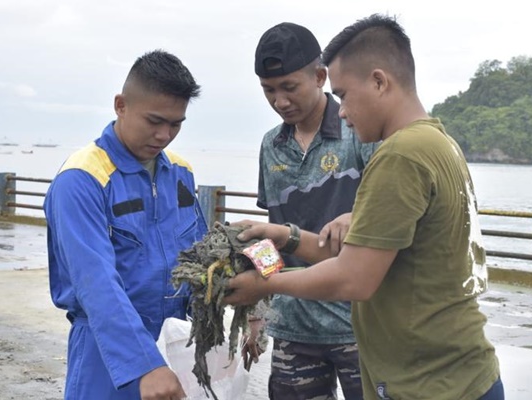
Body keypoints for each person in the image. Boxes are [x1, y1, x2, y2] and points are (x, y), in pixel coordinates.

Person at [224, 14, 504, 400]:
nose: (342, 111)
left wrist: (260, 286)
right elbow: (361, 246)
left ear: (377, 81)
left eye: (343, 95)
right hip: (322, 329)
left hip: (421, 372)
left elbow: (354, 274)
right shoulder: (438, 143)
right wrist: (283, 239)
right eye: (268, 90)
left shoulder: (395, 153)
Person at [44, 50, 208, 400]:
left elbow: (203, 259)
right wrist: (143, 364)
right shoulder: (81, 179)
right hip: (107, 350)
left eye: (176, 124)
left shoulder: (180, 173)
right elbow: (96, 284)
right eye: (154, 121)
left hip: (174, 340)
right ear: (120, 105)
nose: (164, 135)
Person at [245, 21, 376, 399]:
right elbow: (268, 236)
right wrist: (259, 312)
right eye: (269, 90)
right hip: (292, 326)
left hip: (357, 324)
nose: (280, 101)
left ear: (320, 77)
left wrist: (358, 215)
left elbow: (391, 208)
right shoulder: (271, 145)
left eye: (289, 87)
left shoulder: (358, 132)